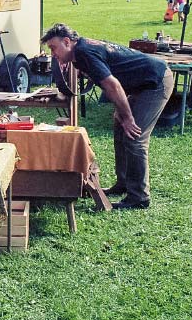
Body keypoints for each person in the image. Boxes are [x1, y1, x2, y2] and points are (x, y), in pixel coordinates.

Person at [41, 23, 173, 210]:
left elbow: (113, 85)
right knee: (120, 128)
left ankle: (139, 197)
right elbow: (111, 80)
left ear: (67, 42)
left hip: (156, 81)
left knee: (135, 137)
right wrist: (121, 112)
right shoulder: (80, 53)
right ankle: (124, 184)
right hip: (140, 83)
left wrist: (128, 117)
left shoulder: (85, 53)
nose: (53, 53)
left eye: (54, 48)